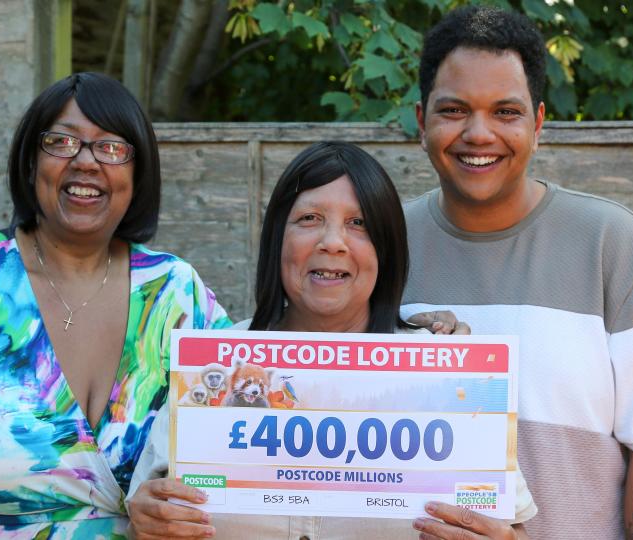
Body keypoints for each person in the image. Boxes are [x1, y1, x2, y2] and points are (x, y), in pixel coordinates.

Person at [0, 72, 230, 538]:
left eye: (112, 147)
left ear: (138, 175)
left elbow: (235, 455)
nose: (87, 162)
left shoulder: (177, 295)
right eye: (61, 142)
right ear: (31, 164)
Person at [400, 6, 633, 539]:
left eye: (506, 112)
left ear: (539, 123)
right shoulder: (379, 247)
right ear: (421, 120)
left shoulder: (612, 246)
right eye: (454, 110)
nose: (479, 134)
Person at [127, 141, 537, 539]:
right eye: (309, 219)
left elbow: (511, 528)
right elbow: (152, 513)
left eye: (359, 224)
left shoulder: (445, 373)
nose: (333, 242)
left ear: (386, 249)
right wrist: (145, 521)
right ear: (277, 240)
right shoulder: (213, 365)